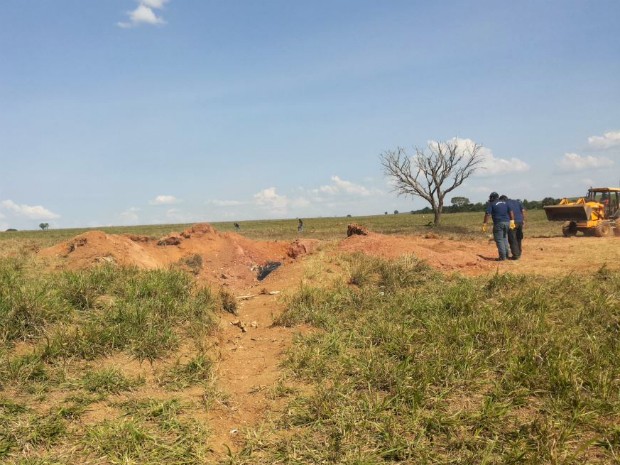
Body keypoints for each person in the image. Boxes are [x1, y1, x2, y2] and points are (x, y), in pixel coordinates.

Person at [482, 192, 515, 261]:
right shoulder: (505, 203)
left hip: (498, 223)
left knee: (499, 240)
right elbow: (511, 212)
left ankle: (502, 257)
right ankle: (507, 255)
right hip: (507, 223)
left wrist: (485, 224)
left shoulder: (491, 204)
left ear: (492, 198)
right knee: (505, 238)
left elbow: (487, 214)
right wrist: (512, 221)